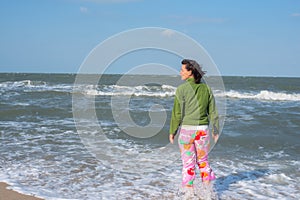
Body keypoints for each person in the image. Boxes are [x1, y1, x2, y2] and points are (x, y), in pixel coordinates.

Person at [169, 59, 219, 188]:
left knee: (188, 165)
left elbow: (177, 113)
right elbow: (212, 111)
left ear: (190, 72)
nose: (180, 72)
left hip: (186, 132)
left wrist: (172, 131)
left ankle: (189, 194)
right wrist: (215, 130)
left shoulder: (181, 89)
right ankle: (207, 192)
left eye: (182, 70)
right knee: (203, 162)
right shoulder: (206, 89)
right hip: (202, 131)